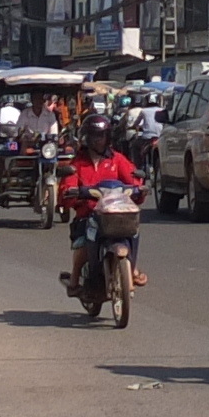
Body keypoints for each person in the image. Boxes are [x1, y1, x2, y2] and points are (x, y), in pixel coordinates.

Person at [58, 115, 148, 296]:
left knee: (133, 229)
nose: (99, 140)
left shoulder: (117, 160)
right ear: (87, 138)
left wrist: (140, 189)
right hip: (89, 214)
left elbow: (133, 179)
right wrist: (71, 192)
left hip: (115, 214)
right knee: (83, 241)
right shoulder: (78, 162)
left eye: (102, 135)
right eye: (94, 136)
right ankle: (75, 280)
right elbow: (67, 187)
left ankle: (132, 268)